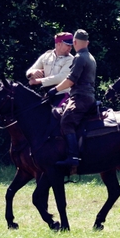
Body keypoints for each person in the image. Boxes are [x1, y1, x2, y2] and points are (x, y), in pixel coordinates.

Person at [48, 29, 96, 169]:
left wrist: (54, 90)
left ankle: (73, 157)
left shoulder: (79, 57)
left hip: (80, 97)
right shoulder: (90, 57)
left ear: (74, 42)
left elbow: (71, 80)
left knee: (66, 121)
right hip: (88, 96)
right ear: (87, 43)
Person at [26, 32, 74, 104]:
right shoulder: (46, 56)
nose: (70, 48)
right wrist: (32, 73)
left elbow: (62, 77)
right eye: (68, 45)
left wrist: (38, 81)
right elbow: (29, 71)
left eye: (71, 45)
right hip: (47, 96)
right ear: (59, 44)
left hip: (64, 95)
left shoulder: (71, 59)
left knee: (57, 112)